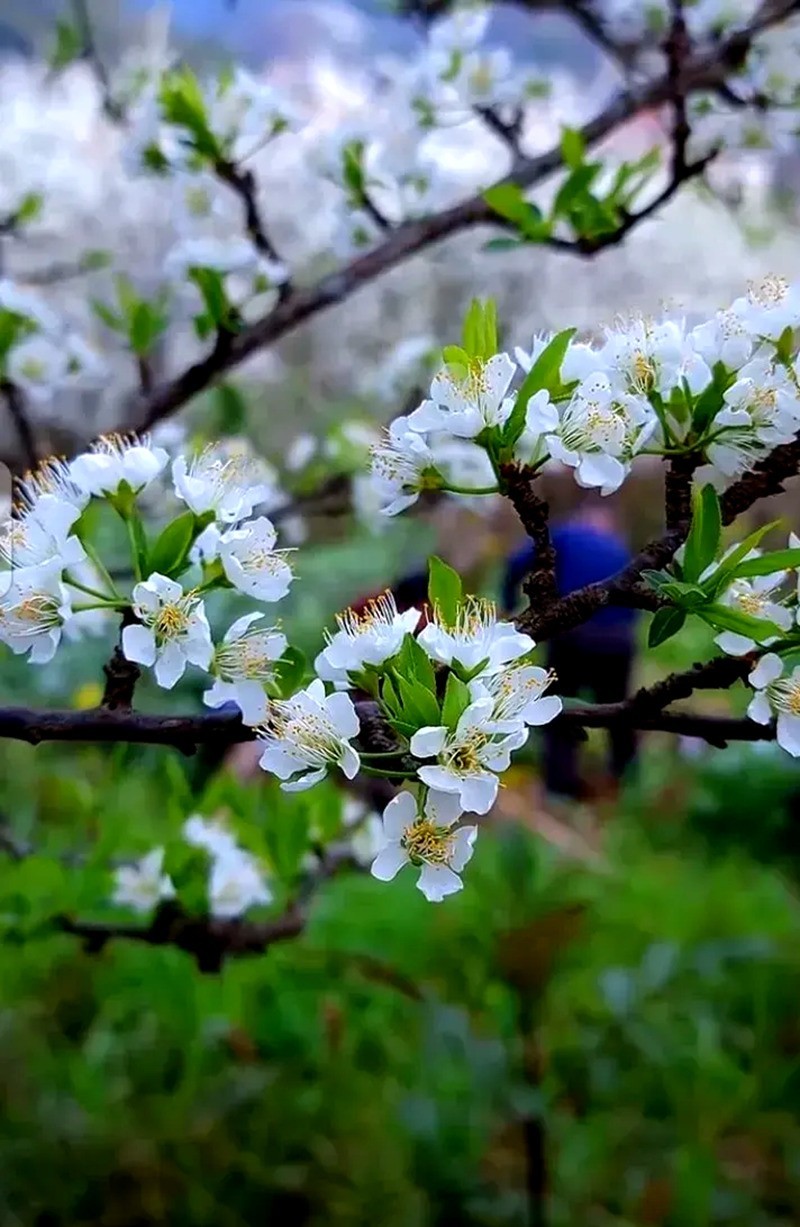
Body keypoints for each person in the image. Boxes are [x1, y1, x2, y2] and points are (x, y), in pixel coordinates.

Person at [502, 493, 638, 800]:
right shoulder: (620, 548)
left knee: (559, 708)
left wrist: (508, 603)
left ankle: (559, 787)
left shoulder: (565, 534)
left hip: (572, 636)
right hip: (618, 642)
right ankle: (627, 776)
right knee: (618, 710)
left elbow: (515, 562)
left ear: (583, 515)